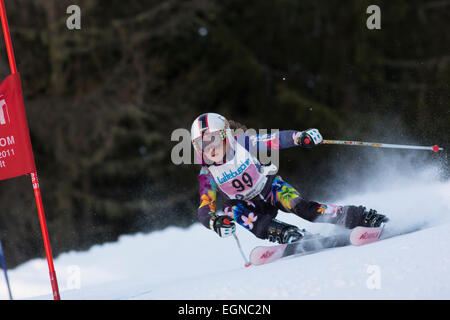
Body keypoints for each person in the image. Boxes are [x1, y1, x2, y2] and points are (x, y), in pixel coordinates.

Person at [191, 113, 388, 244]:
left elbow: (274, 139)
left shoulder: (242, 143)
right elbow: (204, 207)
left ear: (226, 135)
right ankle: (287, 233)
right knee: (232, 210)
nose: (210, 148)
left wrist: (300, 137)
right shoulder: (207, 173)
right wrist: (214, 222)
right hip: (248, 206)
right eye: (201, 144)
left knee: (304, 209)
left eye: (214, 139)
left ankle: (360, 216)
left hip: (269, 189)